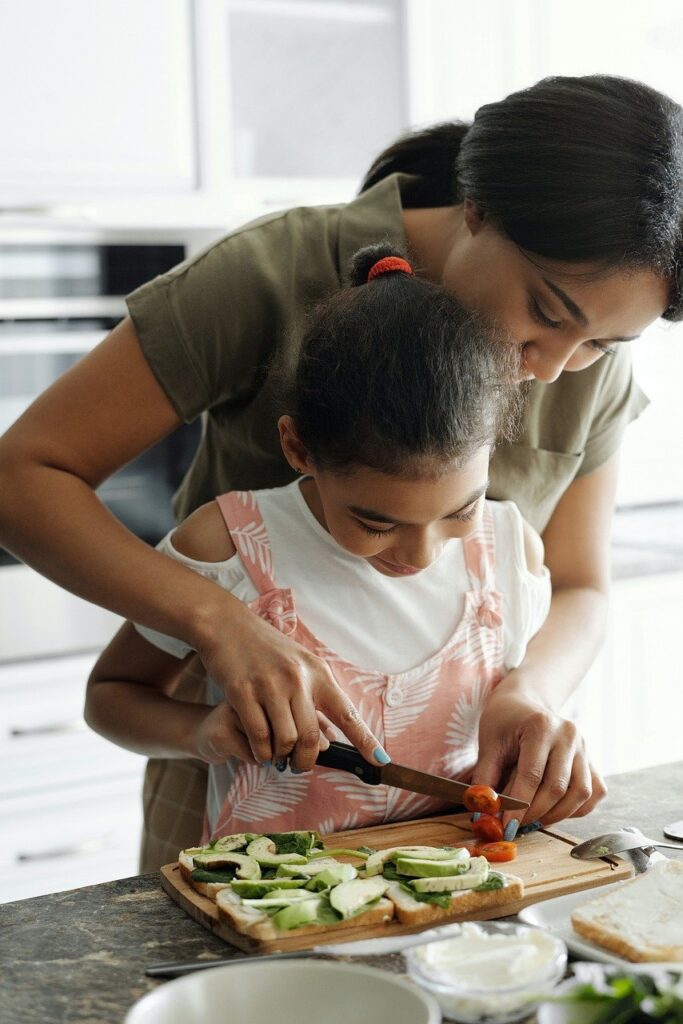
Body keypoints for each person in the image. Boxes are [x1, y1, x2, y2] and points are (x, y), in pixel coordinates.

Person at [0, 74, 679, 868]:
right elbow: (23, 475)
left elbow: (578, 585)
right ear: (477, 208)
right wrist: (218, 622)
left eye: (603, 344)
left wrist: (531, 693)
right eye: (547, 312)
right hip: (241, 798)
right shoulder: (273, 272)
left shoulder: (579, 366)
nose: (557, 368)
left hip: (451, 828)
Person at [85, 244, 573, 842]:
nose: (419, 555)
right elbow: (110, 696)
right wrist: (200, 732)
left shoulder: (508, 549)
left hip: (458, 918)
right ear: (298, 449)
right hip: (274, 916)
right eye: (376, 524)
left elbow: (525, 698)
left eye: (460, 510)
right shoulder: (230, 545)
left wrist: (541, 735)